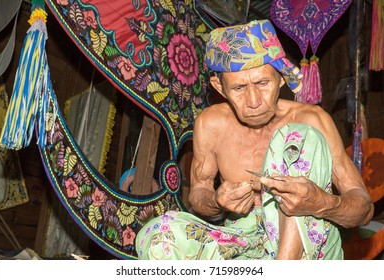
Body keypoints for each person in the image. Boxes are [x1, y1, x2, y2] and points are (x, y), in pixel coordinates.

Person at [135, 20, 374, 260]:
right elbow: (198, 195)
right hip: (243, 241)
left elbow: (364, 210)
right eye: (239, 88)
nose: (253, 101)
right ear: (220, 87)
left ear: (281, 78)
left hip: (309, 250)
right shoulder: (211, 124)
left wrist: (321, 203)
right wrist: (218, 201)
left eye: (263, 83)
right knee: (158, 236)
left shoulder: (312, 119)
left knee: (299, 135)